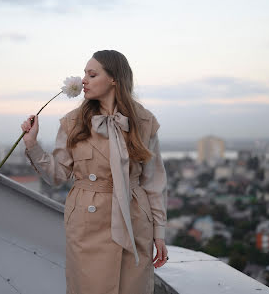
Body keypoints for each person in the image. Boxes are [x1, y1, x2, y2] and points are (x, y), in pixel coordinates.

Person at [21, 50, 168, 294]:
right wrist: (32, 145)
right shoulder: (73, 122)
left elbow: (154, 183)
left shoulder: (144, 121)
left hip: (134, 220)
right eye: (84, 74)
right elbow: (57, 175)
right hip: (87, 223)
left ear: (114, 79)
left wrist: (159, 234)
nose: (83, 81)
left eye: (92, 74)